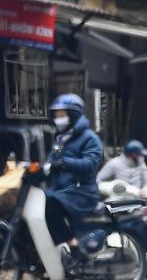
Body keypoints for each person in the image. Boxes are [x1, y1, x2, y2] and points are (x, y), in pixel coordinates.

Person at [44, 94, 104, 261]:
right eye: (56, 115)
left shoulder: (89, 138)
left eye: (62, 115)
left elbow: (91, 163)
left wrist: (65, 163)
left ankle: (73, 244)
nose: (58, 119)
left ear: (73, 115)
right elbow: (50, 163)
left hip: (82, 192)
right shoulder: (60, 139)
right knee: (41, 200)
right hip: (62, 190)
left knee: (51, 205)